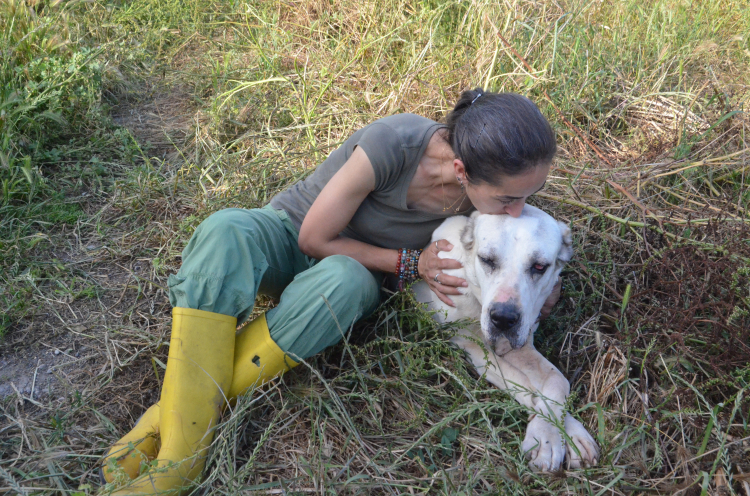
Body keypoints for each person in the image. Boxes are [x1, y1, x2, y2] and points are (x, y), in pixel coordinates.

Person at [100, 88, 560, 494]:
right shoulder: (395, 142)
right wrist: (409, 263)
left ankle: (171, 431)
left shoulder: (488, 205)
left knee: (343, 279)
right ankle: (184, 455)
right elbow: (312, 239)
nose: (520, 210)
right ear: (462, 170)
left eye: (530, 194)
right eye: (510, 199)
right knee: (225, 229)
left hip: (345, 283)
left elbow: (525, 259)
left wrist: (539, 292)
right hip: (291, 238)